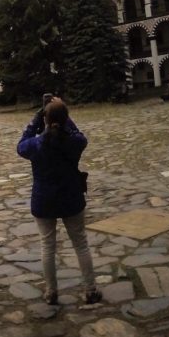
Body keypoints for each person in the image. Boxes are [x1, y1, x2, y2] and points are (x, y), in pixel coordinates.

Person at [17, 97, 101, 307]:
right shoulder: (74, 142)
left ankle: (51, 292)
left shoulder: (36, 144)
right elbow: (80, 135)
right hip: (71, 197)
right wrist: (66, 117)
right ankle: (90, 290)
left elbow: (20, 145)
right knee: (81, 244)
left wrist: (38, 118)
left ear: (46, 119)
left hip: (44, 201)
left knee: (48, 246)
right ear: (65, 119)